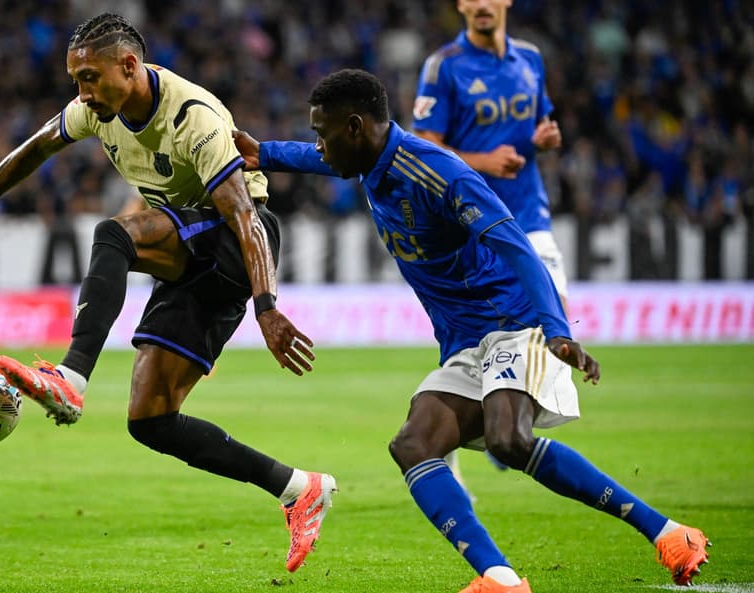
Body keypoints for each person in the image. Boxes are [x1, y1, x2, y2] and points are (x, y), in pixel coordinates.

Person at [232, 69, 709, 593]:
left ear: (354, 127)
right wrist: (267, 154)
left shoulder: (437, 172)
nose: (318, 147)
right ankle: (501, 580)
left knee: (508, 439)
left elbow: (513, 243)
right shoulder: (367, 161)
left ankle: (667, 534)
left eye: (322, 135)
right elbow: (315, 159)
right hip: (464, 339)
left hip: (513, 317)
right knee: (414, 443)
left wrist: (556, 328)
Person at [0, 13, 335, 573]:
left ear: (128, 67)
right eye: (76, 80)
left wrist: (268, 306)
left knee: (114, 233)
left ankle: (72, 378)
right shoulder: (96, 109)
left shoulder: (193, 118)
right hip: (191, 248)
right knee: (151, 420)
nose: (82, 92)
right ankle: (299, 488)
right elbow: (36, 148)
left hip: (234, 240)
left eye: (90, 78)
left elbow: (246, 217)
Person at [411, 0, 568, 490]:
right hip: (472, 225)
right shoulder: (443, 66)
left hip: (529, 216)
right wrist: (482, 161)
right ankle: (489, 431)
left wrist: (542, 139)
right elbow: (423, 145)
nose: (481, 4)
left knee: (552, 311)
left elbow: (536, 126)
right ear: (461, 6)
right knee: (481, 332)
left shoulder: (531, 59)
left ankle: (506, 426)